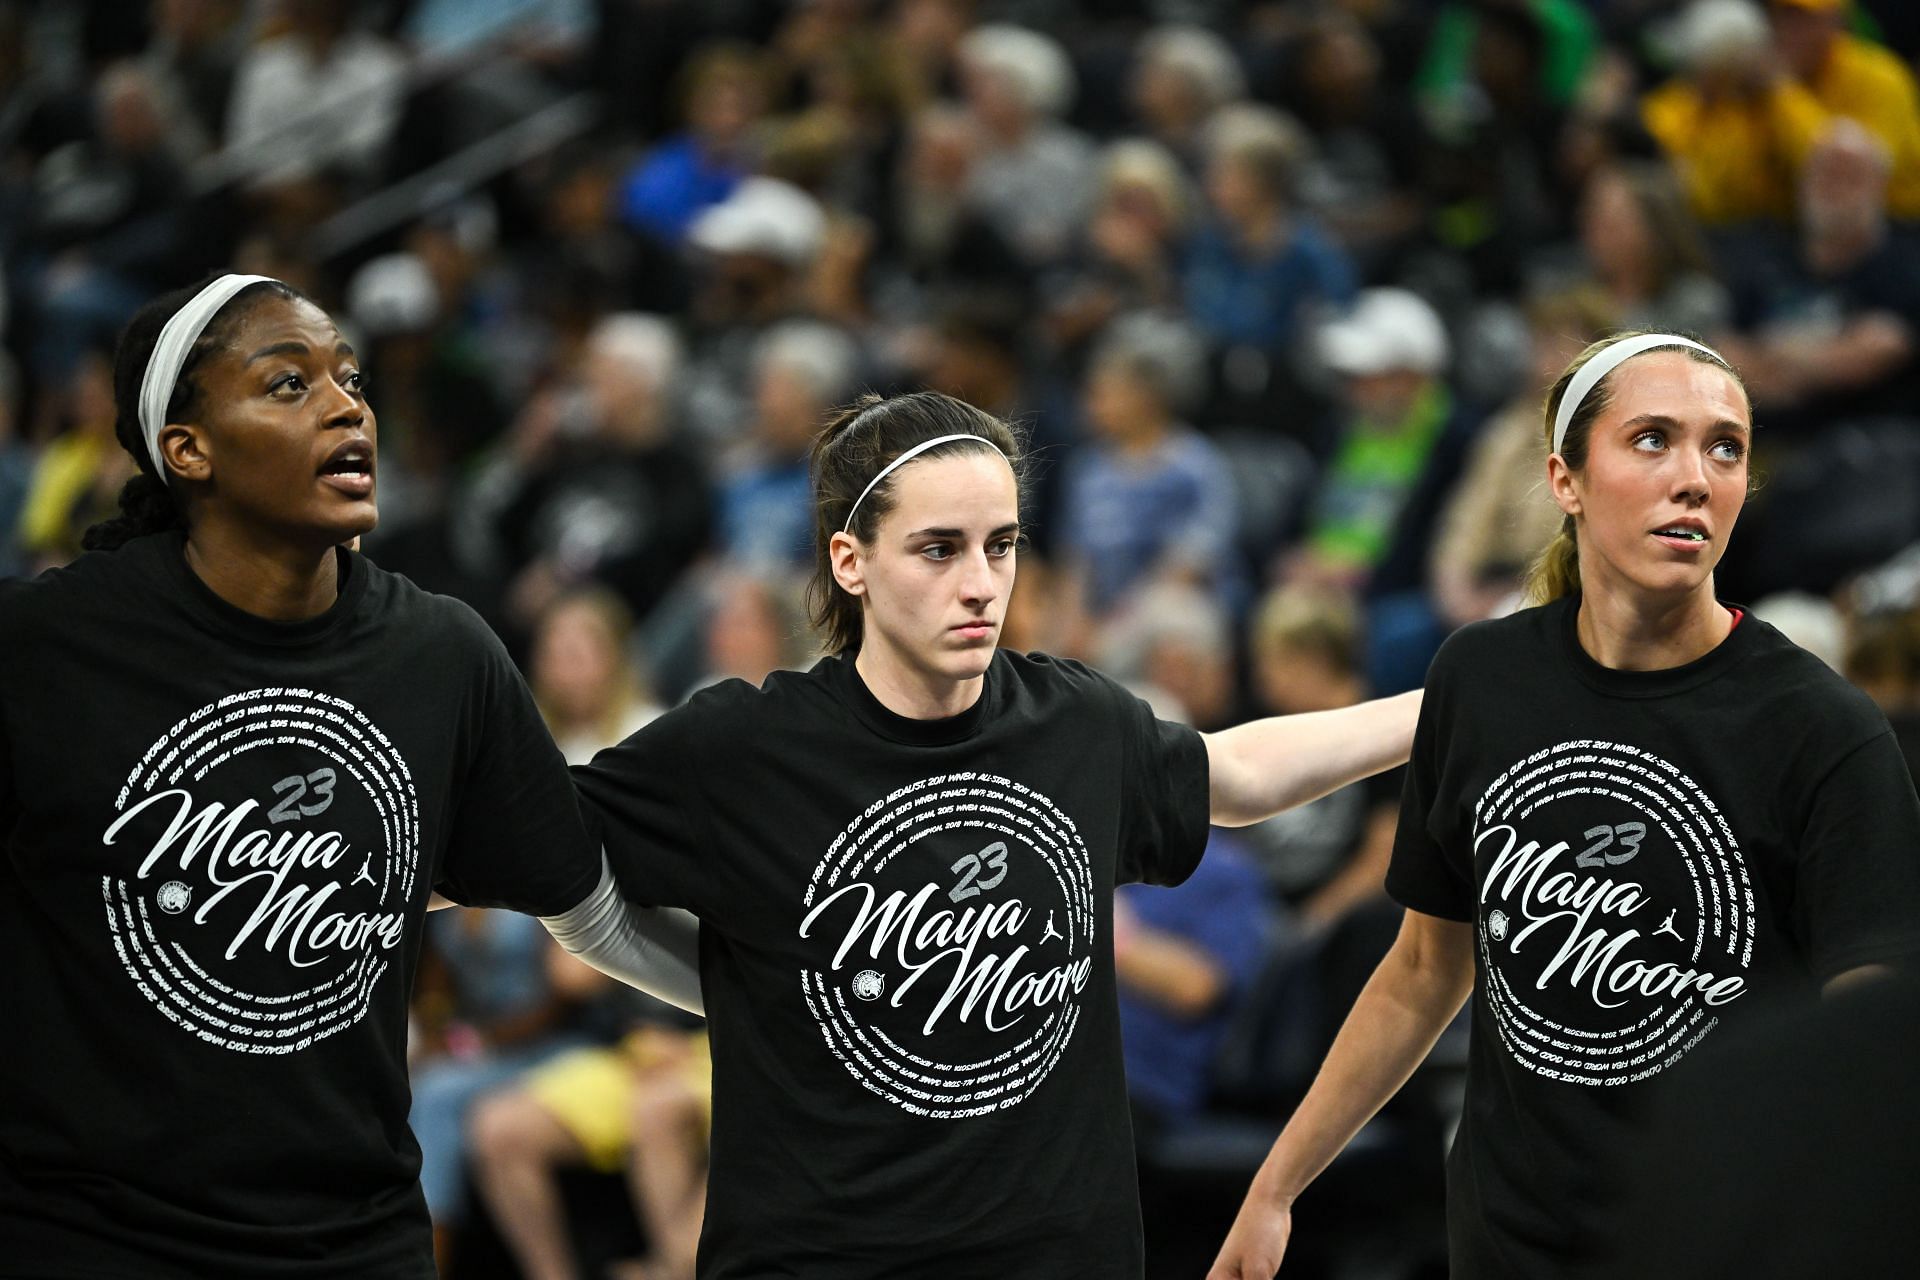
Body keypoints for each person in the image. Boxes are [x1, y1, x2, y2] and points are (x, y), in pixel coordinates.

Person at [572, 389, 1421, 1277]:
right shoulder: (742, 746)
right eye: (938, 549)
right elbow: (534, 852)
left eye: (1001, 545)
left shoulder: (1076, 723)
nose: (981, 583)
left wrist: (1450, 705)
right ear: (850, 561)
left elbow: (1239, 774)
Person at [0, 274, 697, 1277]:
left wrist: (798, 1011)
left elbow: (593, 908)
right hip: (88, 1240)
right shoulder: (41, 651)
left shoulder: (442, 656)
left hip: (355, 1243)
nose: (345, 405)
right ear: (185, 449)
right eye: (287, 385)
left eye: (351, 378)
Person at [1208, 331, 1920, 1279]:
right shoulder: (1481, 675)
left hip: (1718, 1240)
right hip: (1508, 1234)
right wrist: (1275, 1190)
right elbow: (1423, 971)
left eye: (1726, 447)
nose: (1695, 478)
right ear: (1565, 479)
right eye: (1652, 439)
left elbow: (1866, 1046)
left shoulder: (1823, 728)